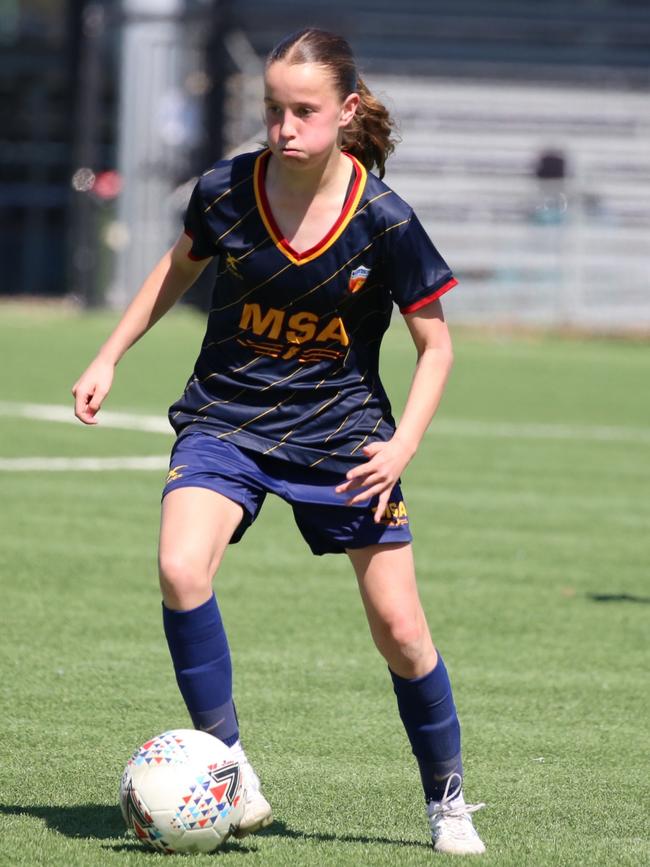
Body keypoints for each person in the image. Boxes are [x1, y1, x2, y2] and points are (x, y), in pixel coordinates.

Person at [72, 27, 485, 855]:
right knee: (182, 567)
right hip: (227, 417)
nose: (284, 127)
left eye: (303, 111)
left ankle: (448, 804)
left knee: (401, 629)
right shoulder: (226, 188)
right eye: (272, 109)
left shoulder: (385, 219)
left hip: (343, 435)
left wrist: (402, 444)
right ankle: (229, 764)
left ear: (346, 111)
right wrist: (109, 353)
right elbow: (176, 269)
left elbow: (435, 345)